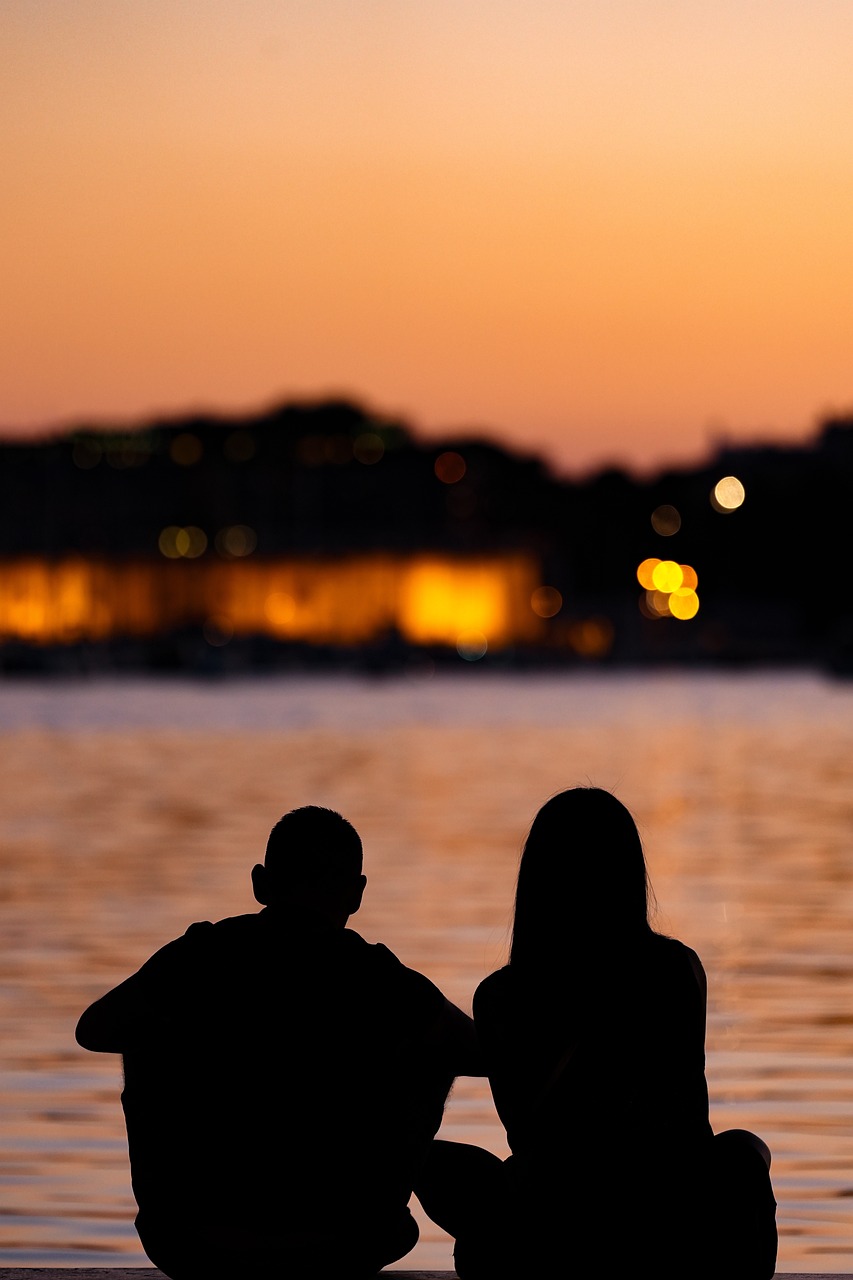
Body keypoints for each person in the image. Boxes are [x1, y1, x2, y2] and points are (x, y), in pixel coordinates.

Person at [76, 805, 482, 1280]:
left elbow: (94, 1029)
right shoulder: (381, 979)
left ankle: (214, 1209)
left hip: (188, 1241)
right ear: (356, 894)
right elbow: (483, 1053)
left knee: (143, 1033)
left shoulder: (197, 957)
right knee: (431, 1051)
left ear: (260, 884)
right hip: (351, 1241)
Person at [414, 786, 778, 1280]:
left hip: (555, 1227)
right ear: (628, 875)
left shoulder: (499, 997)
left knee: (431, 1160)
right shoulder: (675, 971)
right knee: (745, 1149)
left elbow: (522, 1129)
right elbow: (687, 1116)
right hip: (671, 1227)